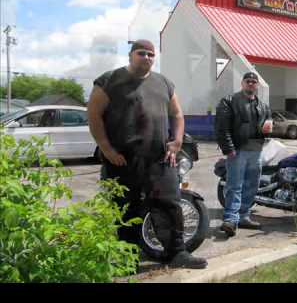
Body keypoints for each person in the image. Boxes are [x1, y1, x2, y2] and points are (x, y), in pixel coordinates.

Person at [87, 39, 207, 269]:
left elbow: (178, 115)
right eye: (142, 53)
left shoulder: (163, 83)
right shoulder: (109, 80)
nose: (147, 57)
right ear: (130, 55)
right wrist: (106, 149)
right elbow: (93, 116)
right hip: (122, 160)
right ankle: (126, 259)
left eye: (151, 54)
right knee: (125, 209)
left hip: (160, 159)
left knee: (169, 205)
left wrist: (177, 142)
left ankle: (176, 254)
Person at [215, 72, 272, 237]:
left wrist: (267, 130)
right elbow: (221, 128)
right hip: (238, 151)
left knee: (252, 185)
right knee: (235, 185)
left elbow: (268, 123)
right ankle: (230, 220)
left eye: (254, 82)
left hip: (257, 151)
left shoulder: (263, 105)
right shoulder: (229, 101)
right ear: (242, 83)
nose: (251, 84)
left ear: (257, 85)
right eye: (248, 81)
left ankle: (244, 216)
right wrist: (229, 149)